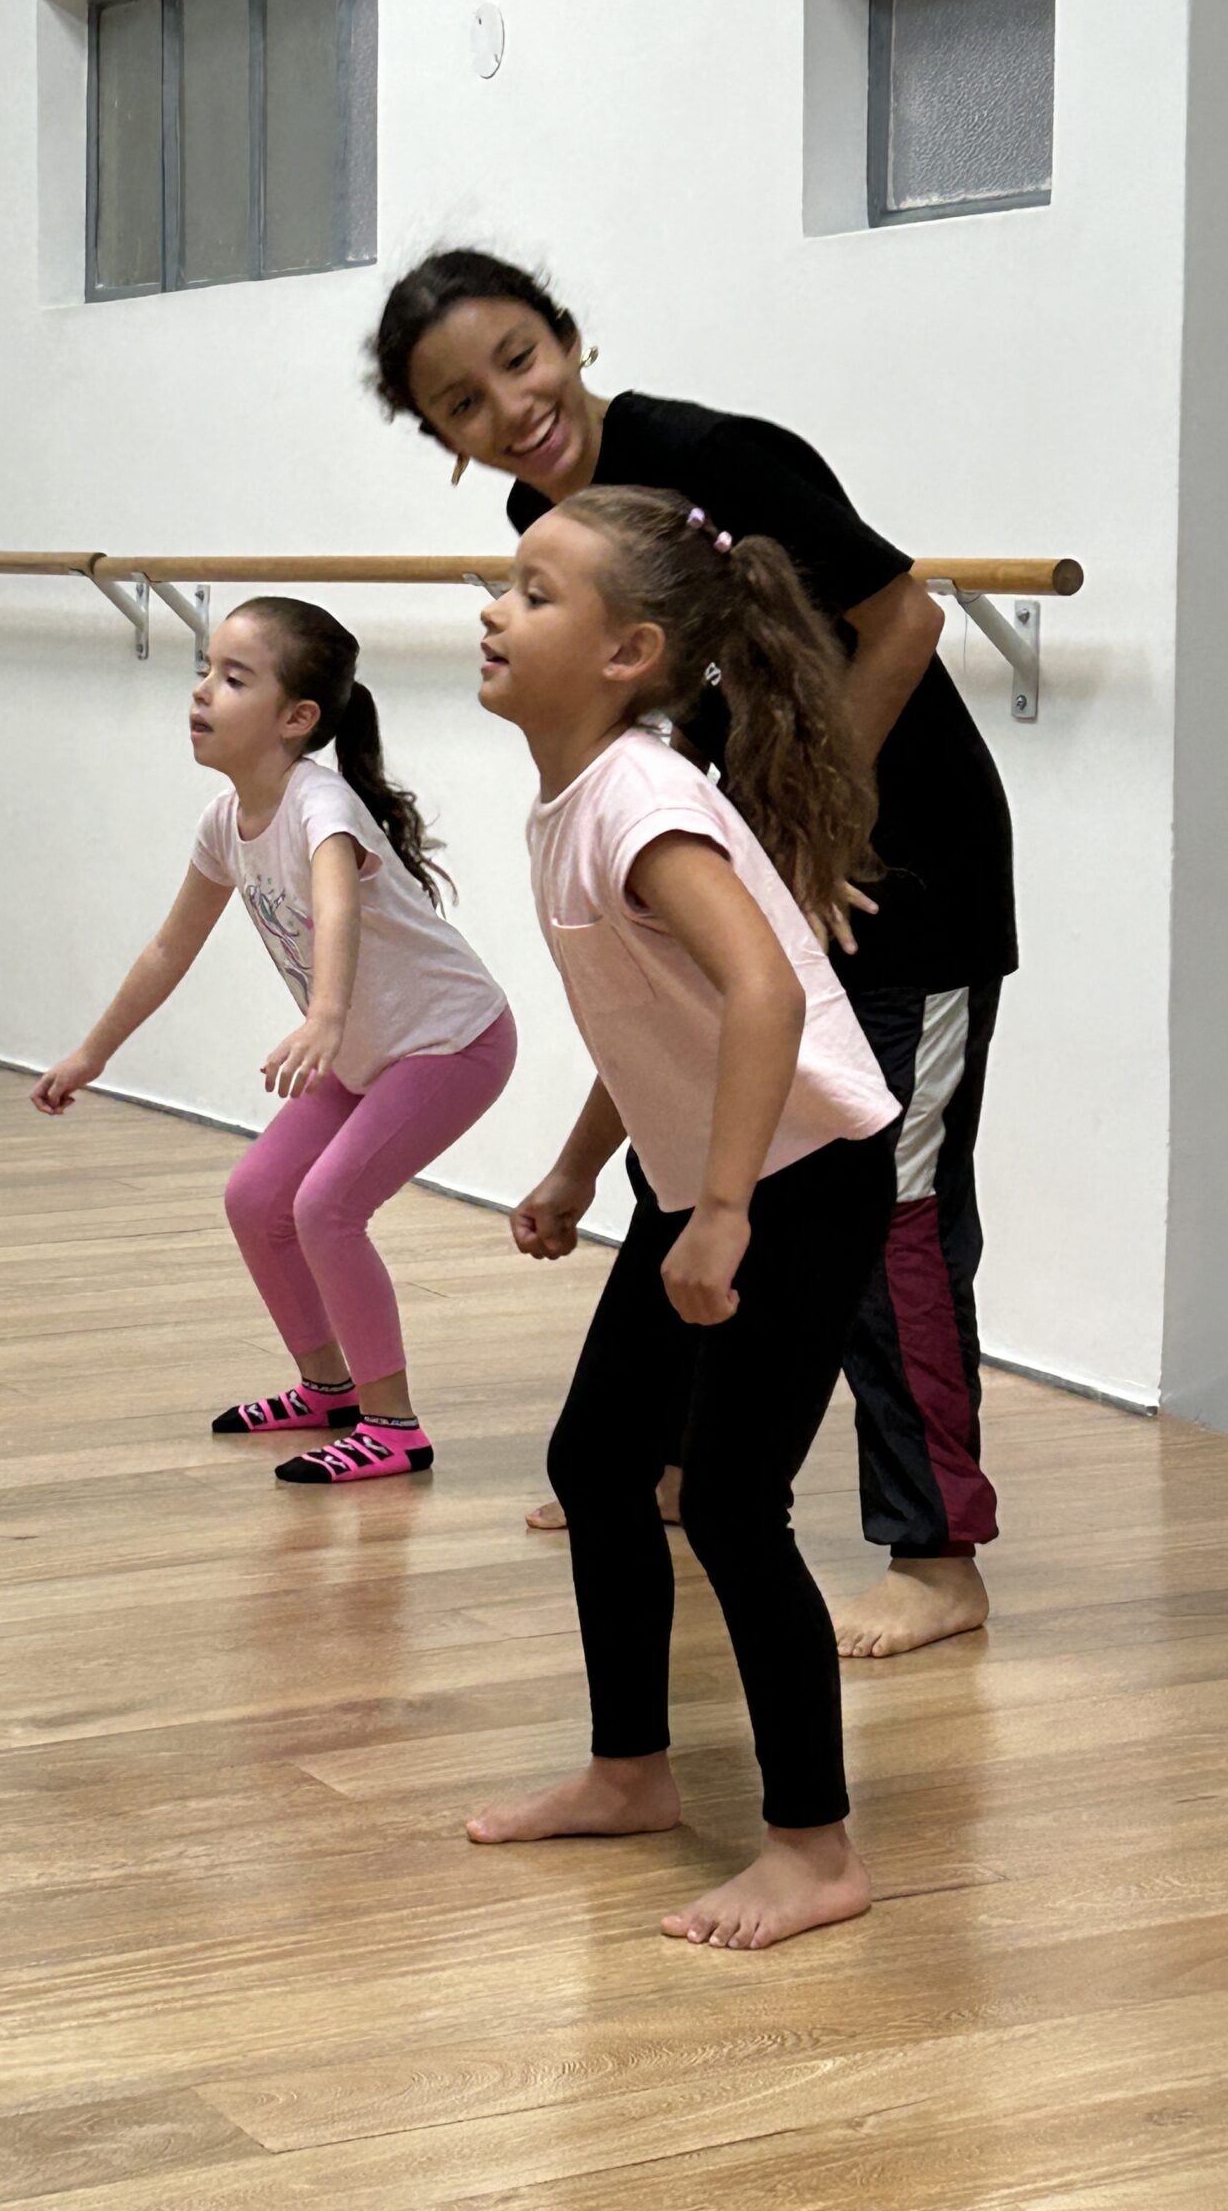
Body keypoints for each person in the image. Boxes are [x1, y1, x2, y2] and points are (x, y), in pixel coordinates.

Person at [370, 250, 1015, 1656]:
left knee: (891, 1209)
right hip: (764, 866)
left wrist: (811, 837)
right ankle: (672, 1459)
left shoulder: (715, 455)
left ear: (569, 337)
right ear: (444, 440)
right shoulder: (551, 515)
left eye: (520, 359)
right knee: (697, 1148)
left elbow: (905, 616)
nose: (510, 408)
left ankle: (936, 1552)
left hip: (901, 874)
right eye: (463, 404)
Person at [467, 487, 900, 1948]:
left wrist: (719, 1214)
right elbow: (658, 1018)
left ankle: (815, 1849)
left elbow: (764, 991)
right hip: (715, 1171)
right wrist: (581, 1168)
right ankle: (630, 1773)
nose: (495, 610)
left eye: (535, 593)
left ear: (629, 652)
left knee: (726, 1500)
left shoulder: (642, 802)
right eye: (506, 583)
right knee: (599, 1462)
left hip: (800, 1176)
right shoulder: (582, 797)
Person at [32, 596, 515, 1485]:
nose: (201, 691)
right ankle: (328, 1389)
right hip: (366, 1053)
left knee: (326, 1208)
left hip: (450, 1043)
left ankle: (393, 1426)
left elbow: (336, 905)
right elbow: (169, 948)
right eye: (205, 671)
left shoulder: (319, 805)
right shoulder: (225, 822)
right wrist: (94, 1053)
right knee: (257, 1198)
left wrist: (324, 1017)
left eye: (233, 677)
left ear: (297, 719)